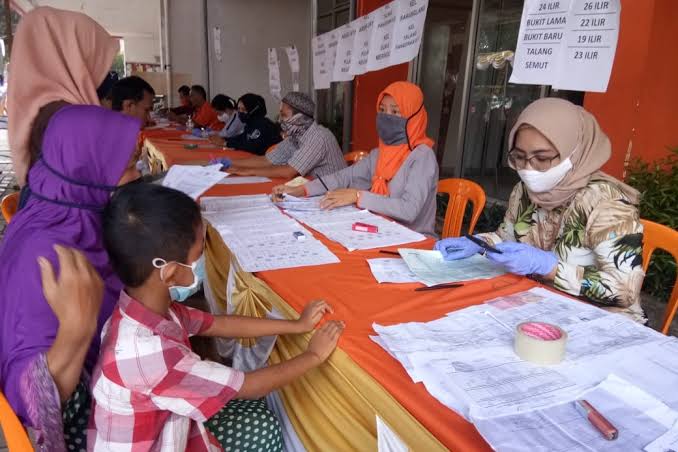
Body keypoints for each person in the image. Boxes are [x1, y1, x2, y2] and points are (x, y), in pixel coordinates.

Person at [91, 182, 344, 450]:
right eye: (200, 252)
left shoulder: (142, 308)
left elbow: (219, 323)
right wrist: (312, 356)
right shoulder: (151, 353)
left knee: (256, 415)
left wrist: (296, 325)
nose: (202, 260)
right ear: (171, 273)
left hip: (165, 423)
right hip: (157, 441)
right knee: (263, 430)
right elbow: (251, 385)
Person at [0, 106, 142, 450]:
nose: (137, 176)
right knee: (259, 424)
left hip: (111, 375)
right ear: (87, 170)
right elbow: (28, 399)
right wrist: (75, 331)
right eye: (125, 167)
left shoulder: (65, 216)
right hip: (94, 424)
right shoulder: (51, 252)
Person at [435, 98, 646, 322]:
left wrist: (550, 268)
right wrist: (477, 244)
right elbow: (505, 238)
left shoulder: (606, 202)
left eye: (542, 158)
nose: (528, 168)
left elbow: (624, 290)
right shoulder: (523, 191)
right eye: (519, 157)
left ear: (573, 152)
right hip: (538, 305)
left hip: (601, 323)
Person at [272, 81, 439, 236]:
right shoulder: (380, 153)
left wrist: (358, 196)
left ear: (413, 117)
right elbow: (344, 176)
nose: (386, 117)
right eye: (382, 110)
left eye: (395, 111)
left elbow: (408, 210)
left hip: (413, 242)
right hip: (379, 230)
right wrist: (302, 190)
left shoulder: (422, 156)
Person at [7, 6, 120, 188]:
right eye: (94, 57)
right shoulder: (68, 116)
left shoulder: (42, 105)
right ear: (74, 57)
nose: (104, 71)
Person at [226, 91, 346, 179]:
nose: (280, 120)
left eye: (284, 115)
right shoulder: (296, 137)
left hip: (334, 196)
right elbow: (267, 160)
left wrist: (248, 172)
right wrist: (229, 163)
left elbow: (288, 172)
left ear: (300, 118)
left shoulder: (318, 137)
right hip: (315, 190)